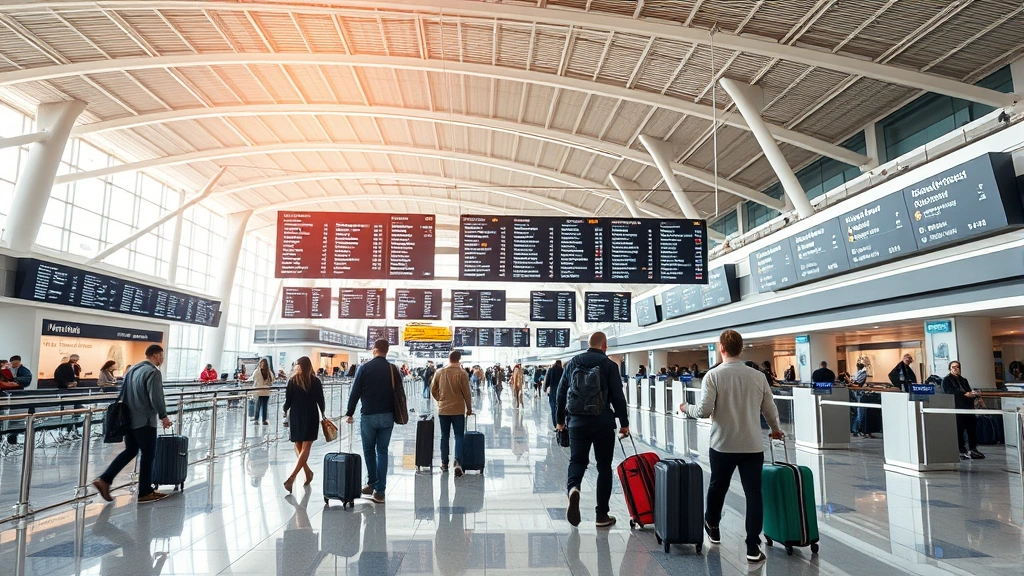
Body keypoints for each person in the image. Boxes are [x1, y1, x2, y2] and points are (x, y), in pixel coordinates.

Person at [680, 330, 782, 565]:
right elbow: (770, 410)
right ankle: (752, 547)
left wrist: (686, 408)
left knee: (718, 486)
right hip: (752, 446)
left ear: (722, 349)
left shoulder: (714, 376)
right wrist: (775, 429)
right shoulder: (758, 377)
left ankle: (712, 524)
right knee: (754, 494)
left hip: (722, 445)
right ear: (740, 348)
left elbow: (704, 411)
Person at [556, 331, 629, 529]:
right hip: (603, 422)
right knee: (604, 467)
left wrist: (560, 422)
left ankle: (573, 489)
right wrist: (624, 422)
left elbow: (561, 393)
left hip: (577, 422)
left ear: (588, 344)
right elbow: (618, 397)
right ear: (604, 346)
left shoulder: (572, 363)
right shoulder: (609, 365)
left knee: (577, 461)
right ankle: (601, 515)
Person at [92, 345, 173, 505]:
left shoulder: (132, 370)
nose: (162, 359)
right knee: (148, 455)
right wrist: (163, 415)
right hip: (145, 420)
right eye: (162, 356)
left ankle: (105, 479)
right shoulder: (153, 372)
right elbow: (156, 396)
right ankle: (145, 491)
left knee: (131, 450)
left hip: (129, 419)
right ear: (156, 355)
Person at [346, 339, 399, 504]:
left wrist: (349, 412)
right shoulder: (392, 369)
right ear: (387, 351)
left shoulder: (365, 368)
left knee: (369, 451)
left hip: (368, 415)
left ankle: (371, 483)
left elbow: (355, 391)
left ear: (374, 349)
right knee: (382, 451)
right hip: (387, 416)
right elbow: (399, 392)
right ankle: (379, 490)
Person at [282, 356, 325, 493]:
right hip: (311, 415)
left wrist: (284, 409)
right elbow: (320, 399)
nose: (295, 367)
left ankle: (292, 478)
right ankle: (308, 472)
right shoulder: (315, 381)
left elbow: (287, 401)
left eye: (297, 365)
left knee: (302, 446)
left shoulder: (292, 381)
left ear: (301, 366)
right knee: (301, 447)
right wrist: (323, 412)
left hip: (296, 416)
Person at [431, 350, 473, 476]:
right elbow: (466, 392)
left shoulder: (440, 372)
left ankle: (444, 463)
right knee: (459, 436)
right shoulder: (462, 373)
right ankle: (458, 462)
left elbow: (433, 389)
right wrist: (469, 408)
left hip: (443, 409)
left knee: (444, 436)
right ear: (459, 359)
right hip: (458, 409)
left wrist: (440, 399)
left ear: (449, 359)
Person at [942, 361, 985, 460]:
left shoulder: (963, 380)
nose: (956, 368)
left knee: (971, 429)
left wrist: (972, 394)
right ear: (950, 368)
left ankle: (973, 449)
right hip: (957, 408)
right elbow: (948, 392)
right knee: (959, 430)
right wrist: (964, 394)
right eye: (953, 367)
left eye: (957, 367)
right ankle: (961, 450)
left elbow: (968, 390)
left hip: (968, 408)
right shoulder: (946, 380)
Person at [252, 358, 273, 425]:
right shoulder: (269, 372)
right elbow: (272, 381)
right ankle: (264, 420)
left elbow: (253, 380)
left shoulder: (257, 372)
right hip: (266, 392)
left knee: (257, 406)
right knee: (265, 406)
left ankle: (256, 419)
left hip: (259, 391)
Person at [544, 360, 564, 429]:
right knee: (560, 408)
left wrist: (545, 388)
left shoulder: (550, 370)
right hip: (561, 392)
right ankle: (560, 424)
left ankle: (555, 425)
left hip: (553, 392)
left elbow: (547, 382)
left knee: (553, 409)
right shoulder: (563, 370)